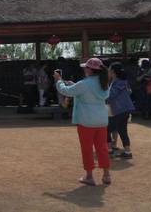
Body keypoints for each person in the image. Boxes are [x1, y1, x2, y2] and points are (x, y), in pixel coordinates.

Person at [54, 57, 111, 186]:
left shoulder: (84, 83)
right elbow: (86, 90)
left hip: (86, 121)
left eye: (86, 67)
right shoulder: (104, 83)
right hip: (101, 120)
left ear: (90, 70)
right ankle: (106, 175)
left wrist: (59, 81)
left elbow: (65, 91)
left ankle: (89, 176)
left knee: (87, 149)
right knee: (102, 148)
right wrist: (73, 84)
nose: (84, 69)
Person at [107, 62, 135, 159]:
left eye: (109, 69)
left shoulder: (118, 81)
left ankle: (110, 150)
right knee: (122, 130)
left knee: (107, 128)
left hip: (120, 109)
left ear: (113, 71)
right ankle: (127, 152)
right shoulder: (121, 81)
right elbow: (129, 91)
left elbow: (111, 95)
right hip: (124, 109)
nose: (108, 71)